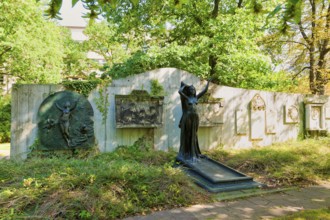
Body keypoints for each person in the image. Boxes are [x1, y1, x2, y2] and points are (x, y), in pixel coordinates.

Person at [177, 80, 209, 162]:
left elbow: (205, 91)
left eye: (193, 89)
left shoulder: (196, 97)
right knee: (188, 134)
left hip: (195, 118)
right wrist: (185, 86)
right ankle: (187, 153)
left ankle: (194, 152)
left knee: (194, 134)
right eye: (191, 89)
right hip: (187, 117)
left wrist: (208, 81)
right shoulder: (186, 98)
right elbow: (180, 91)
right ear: (188, 91)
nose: (192, 90)